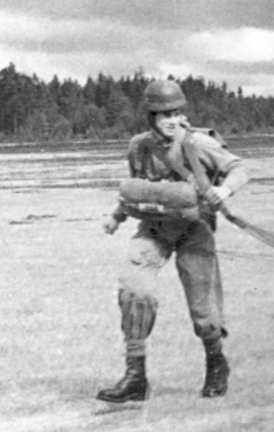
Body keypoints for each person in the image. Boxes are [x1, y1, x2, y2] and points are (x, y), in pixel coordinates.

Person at [97, 79, 250, 403]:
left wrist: (224, 189)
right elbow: (139, 190)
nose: (171, 120)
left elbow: (238, 168)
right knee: (135, 291)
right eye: (164, 114)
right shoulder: (139, 147)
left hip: (195, 230)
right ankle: (136, 377)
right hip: (154, 229)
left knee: (203, 309)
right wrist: (116, 217)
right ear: (150, 115)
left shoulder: (197, 143)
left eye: (176, 113)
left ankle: (216, 362)